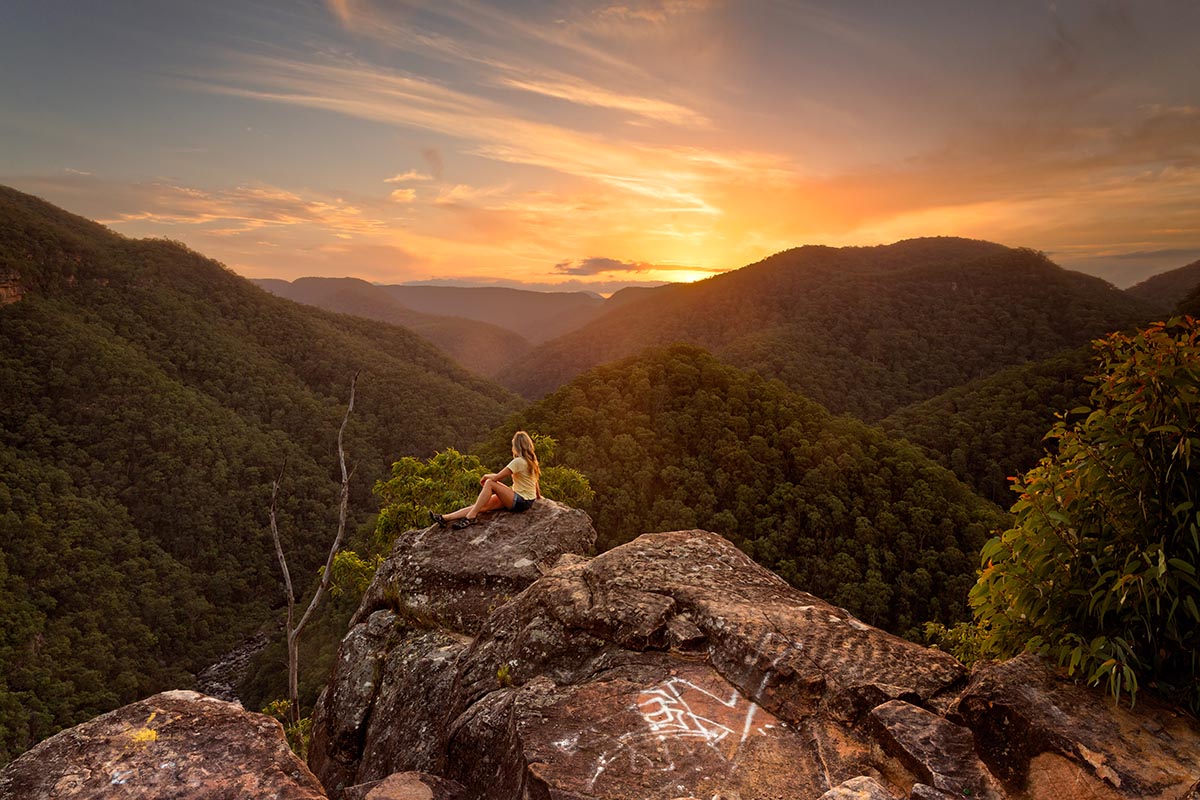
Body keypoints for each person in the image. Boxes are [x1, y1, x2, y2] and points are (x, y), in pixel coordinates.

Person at [431, 431, 542, 530]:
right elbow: (535, 480)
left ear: (516, 446)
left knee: (489, 483)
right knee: (481, 506)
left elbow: (497, 478)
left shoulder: (518, 461)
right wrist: (538, 496)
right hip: (524, 500)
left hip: (520, 501)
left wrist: (485, 476)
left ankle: (471, 517)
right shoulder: (531, 461)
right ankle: (445, 518)